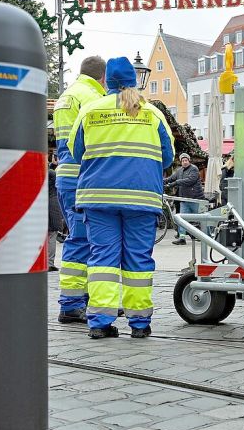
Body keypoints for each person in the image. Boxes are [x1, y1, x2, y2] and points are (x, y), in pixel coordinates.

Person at [68, 57, 175, 339]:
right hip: (141, 198)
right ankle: (139, 323)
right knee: (138, 260)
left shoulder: (90, 110)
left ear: (107, 81)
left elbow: (77, 152)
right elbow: (168, 157)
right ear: (134, 81)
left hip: (98, 197)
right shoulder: (152, 113)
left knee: (102, 259)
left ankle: (100, 322)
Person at [52, 55, 106, 324]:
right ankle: (71, 304)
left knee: (79, 236)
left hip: (66, 176)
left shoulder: (66, 96)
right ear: (103, 77)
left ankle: (82, 299)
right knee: (81, 239)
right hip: (83, 177)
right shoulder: (92, 98)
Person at [164, 153, 204, 245]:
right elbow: (171, 178)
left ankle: (209, 236)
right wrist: (161, 181)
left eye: (186, 160)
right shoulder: (179, 171)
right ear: (181, 162)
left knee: (202, 218)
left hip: (195, 199)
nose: (184, 162)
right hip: (184, 199)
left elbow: (190, 180)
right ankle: (182, 238)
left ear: (189, 161)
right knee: (182, 219)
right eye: (183, 161)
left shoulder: (194, 169)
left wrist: (175, 183)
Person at [48, 158, 66, 271]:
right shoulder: (52, 175)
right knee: (52, 235)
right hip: (53, 208)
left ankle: (46, 262)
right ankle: (49, 263)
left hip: (45, 206)